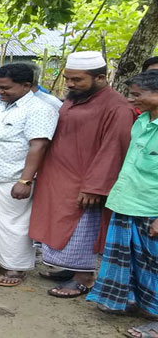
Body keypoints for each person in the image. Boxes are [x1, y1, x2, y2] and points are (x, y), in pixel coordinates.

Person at [30, 51, 135, 298]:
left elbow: (114, 149)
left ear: (101, 77)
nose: (70, 84)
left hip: (85, 182)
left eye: (77, 80)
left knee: (82, 228)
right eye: (67, 78)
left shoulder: (117, 107)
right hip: (59, 177)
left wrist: (95, 186)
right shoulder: (74, 98)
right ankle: (67, 268)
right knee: (58, 225)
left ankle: (84, 277)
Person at [0, 63, 59, 287]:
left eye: (5, 88)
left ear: (26, 85)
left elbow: (39, 146)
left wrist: (25, 180)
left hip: (12, 177)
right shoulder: (4, 105)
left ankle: (16, 267)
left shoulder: (40, 109)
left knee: (13, 224)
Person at [86, 70, 158, 338]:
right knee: (132, 262)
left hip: (152, 208)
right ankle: (138, 303)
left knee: (155, 266)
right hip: (127, 203)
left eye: (137, 94)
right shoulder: (141, 122)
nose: (131, 99)